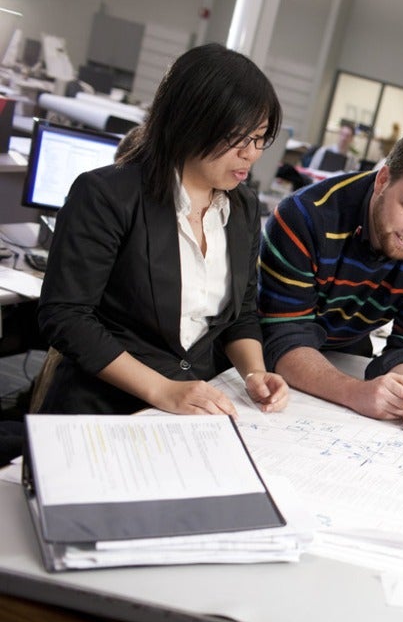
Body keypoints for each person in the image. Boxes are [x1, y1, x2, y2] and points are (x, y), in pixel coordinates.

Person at [36, 43, 289, 416]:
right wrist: (163, 391)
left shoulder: (243, 208)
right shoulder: (107, 194)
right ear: (192, 124)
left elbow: (242, 314)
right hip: (102, 407)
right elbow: (67, 317)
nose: (252, 154)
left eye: (261, 138)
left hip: (191, 411)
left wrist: (255, 373)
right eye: (240, 138)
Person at [258, 129, 403, 437]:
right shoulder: (304, 217)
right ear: (382, 180)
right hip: (266, 363)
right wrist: (355, 392)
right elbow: (284, 336)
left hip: (346, 351)